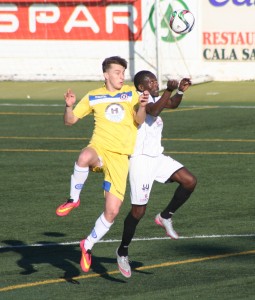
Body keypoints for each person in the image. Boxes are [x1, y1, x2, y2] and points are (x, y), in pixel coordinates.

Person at [55, 56, 149, 273]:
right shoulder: (94, 96)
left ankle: (87, 245)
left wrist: (142, 106)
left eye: (123, 72)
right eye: (117, 72)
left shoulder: (131, 93)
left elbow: (140, 120)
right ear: (106, 74)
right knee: (83, 157)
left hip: (119, 158)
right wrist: (68, 106)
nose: (121, 76)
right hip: (100, 148)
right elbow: (70, 121)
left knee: (112, 212)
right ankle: (73, 199)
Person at [116, 70, 197, 278]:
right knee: (138, 212)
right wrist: (169, 90)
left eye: (155, 80)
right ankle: (122, 251)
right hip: (140, 160)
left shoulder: (155, 97)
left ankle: (165, 216)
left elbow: (171, 104)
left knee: (189, 181)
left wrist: (179, 91)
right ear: (141, 87)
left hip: (157, 157)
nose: (154, 83)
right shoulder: (139, 99)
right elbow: (153, 111)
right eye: (150, 82)